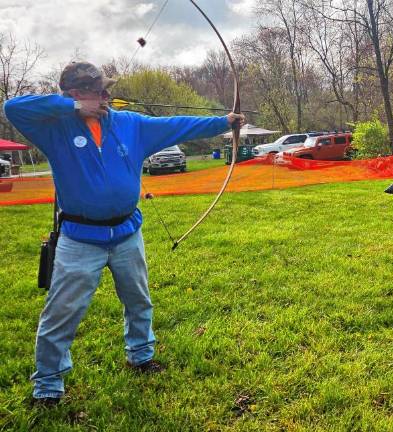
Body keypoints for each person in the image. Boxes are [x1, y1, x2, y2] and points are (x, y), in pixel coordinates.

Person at [3, 61, 245, 407]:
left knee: (138, 300)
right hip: (79, 238)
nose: (106, 96)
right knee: (61, 313)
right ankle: (48, 385)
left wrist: (223, 122)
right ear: (75, 93)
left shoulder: (130, 124)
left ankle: (141, 355)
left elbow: (176, 126)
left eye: (106, 90)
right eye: (97, 91)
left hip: (127, 234)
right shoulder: (53, 128)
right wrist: (73, 108)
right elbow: (12, 107)